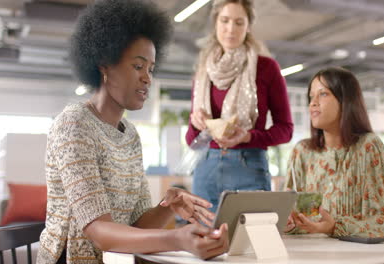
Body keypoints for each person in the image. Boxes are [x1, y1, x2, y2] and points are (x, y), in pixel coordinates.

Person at [37, 1, 229, 263]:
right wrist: (177, 238)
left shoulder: (130, 135)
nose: (147, 78)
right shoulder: (74, 124)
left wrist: (168, 207)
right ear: (105, 64)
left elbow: (137, 226)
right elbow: (99, 232)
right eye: (138, 67)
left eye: (150, 69)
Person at [185, 0, 293, 212]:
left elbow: (286, 130)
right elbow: (192, 141)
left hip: (249, 166)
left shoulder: (266, 68)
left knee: (254, 242)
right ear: (216, 22)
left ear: (248, 27)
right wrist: (196, 123)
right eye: (224, 21)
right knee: (205, 242)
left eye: (239, 22)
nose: (230, 29)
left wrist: (248, 137)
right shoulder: (203, 71)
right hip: (206, 167)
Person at [285, 67, 384, 238]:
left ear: (346, 100)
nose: (313, 102)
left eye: (323, 94)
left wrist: (334, 227)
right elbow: (294, 220)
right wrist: (287, 223)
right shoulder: (302, 151)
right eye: (311, 96)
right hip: (309, 254)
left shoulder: (368, 147)